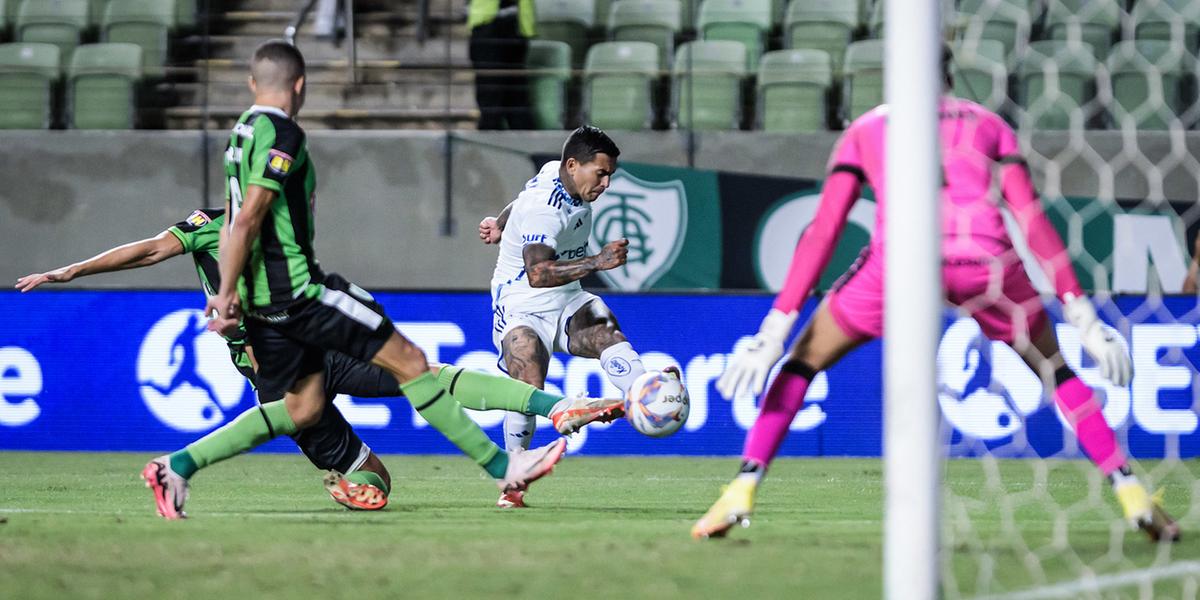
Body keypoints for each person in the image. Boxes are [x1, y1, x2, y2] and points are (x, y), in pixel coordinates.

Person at [691, 46, 1180, 542]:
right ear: (949, 75)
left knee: (801, 361)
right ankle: (1129, 491)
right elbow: (1032, 220)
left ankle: (741, 488)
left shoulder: (867, 130)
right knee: (1056, 370)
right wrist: (1086, 322)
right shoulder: (988, 123)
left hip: (901, 259)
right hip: (988, 261)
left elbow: (824, 230)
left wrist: (773, 330)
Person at [137, 40, 620, 519]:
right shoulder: (282, 135)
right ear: (300, 86)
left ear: (250, 84)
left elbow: (228, 224)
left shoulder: (240, 133)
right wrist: (225, 296)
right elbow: (246, 220)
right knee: (413, 363)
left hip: (268, 310)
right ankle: (509, 459)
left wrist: (229, 295)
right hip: (302, 296)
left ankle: (177, 466)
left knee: (302, 410)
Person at [16, 207, 624, 512]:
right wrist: (71, 269)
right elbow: (148, 250)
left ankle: (554, 410)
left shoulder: (280, 228)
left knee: (414, 389)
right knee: (363, 428)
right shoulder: (210, 226)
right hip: (278, 361)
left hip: (313, 349)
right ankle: (525, 435)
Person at [479, 125, 686, 508]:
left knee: (606, 330)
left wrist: (500, 224)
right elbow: (538, 274)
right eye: (601, 173)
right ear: (574, 165)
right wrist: (599, 261)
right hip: (521, 302)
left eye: (610, 175)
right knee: (528, 379)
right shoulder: (546, 212)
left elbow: (518, 200)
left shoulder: (550, 173)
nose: (606, 184)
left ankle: (643, 395)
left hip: (566, 298)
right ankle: (512, 479)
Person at [467, 0, 535, 129]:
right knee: (493, 93)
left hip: (514, 25)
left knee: (514, 93)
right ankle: (493, 135)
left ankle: (518, 136)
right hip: (488, 23)